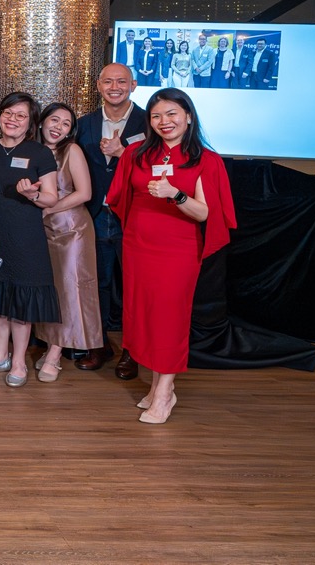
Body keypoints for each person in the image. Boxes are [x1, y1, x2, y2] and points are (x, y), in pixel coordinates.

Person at [107, 88, 236, 424]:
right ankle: (156, 386)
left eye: (171, 114)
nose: (164, 121)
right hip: (137, 246)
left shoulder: (206, 160)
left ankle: (165, 392)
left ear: (188, 116)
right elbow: (121, 199)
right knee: (143, 316)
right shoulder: (136, 153)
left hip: (177, 251)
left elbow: (205, 213)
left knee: (169, 319)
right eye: (156, 116)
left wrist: (175, 194)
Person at [0, 92, 59, 388]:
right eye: (8, 113)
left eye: (21, 115)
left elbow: (51, 197)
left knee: (21, 301)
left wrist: (33, 194)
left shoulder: (40, 153)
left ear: (30, 122)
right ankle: (0, 355)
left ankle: (19, 361)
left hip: (26, 238)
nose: (13, 119)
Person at [73, 62, 148, 378]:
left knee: (134, 287)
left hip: (134, 215)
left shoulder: (150, 122)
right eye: (108, 81)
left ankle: (132, 351)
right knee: (97, 284)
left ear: (133, 85)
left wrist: (124, 152)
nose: (114, 87)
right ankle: (99, 344)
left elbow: (159, 164)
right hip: (94, 215)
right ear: (99, 86)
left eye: (121, 81)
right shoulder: (84, 124)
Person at [33, 103, 102, 383]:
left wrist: (49, 209)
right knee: (49, 290)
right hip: (40, 231)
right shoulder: (32, 150)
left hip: (71, 230)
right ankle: (51, 343)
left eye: (65, 124)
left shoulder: (71, 151)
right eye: (54, 120)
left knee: (69, 290)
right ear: (41, 122)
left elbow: (84, 193)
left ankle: (55, 354)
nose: (58, 127)